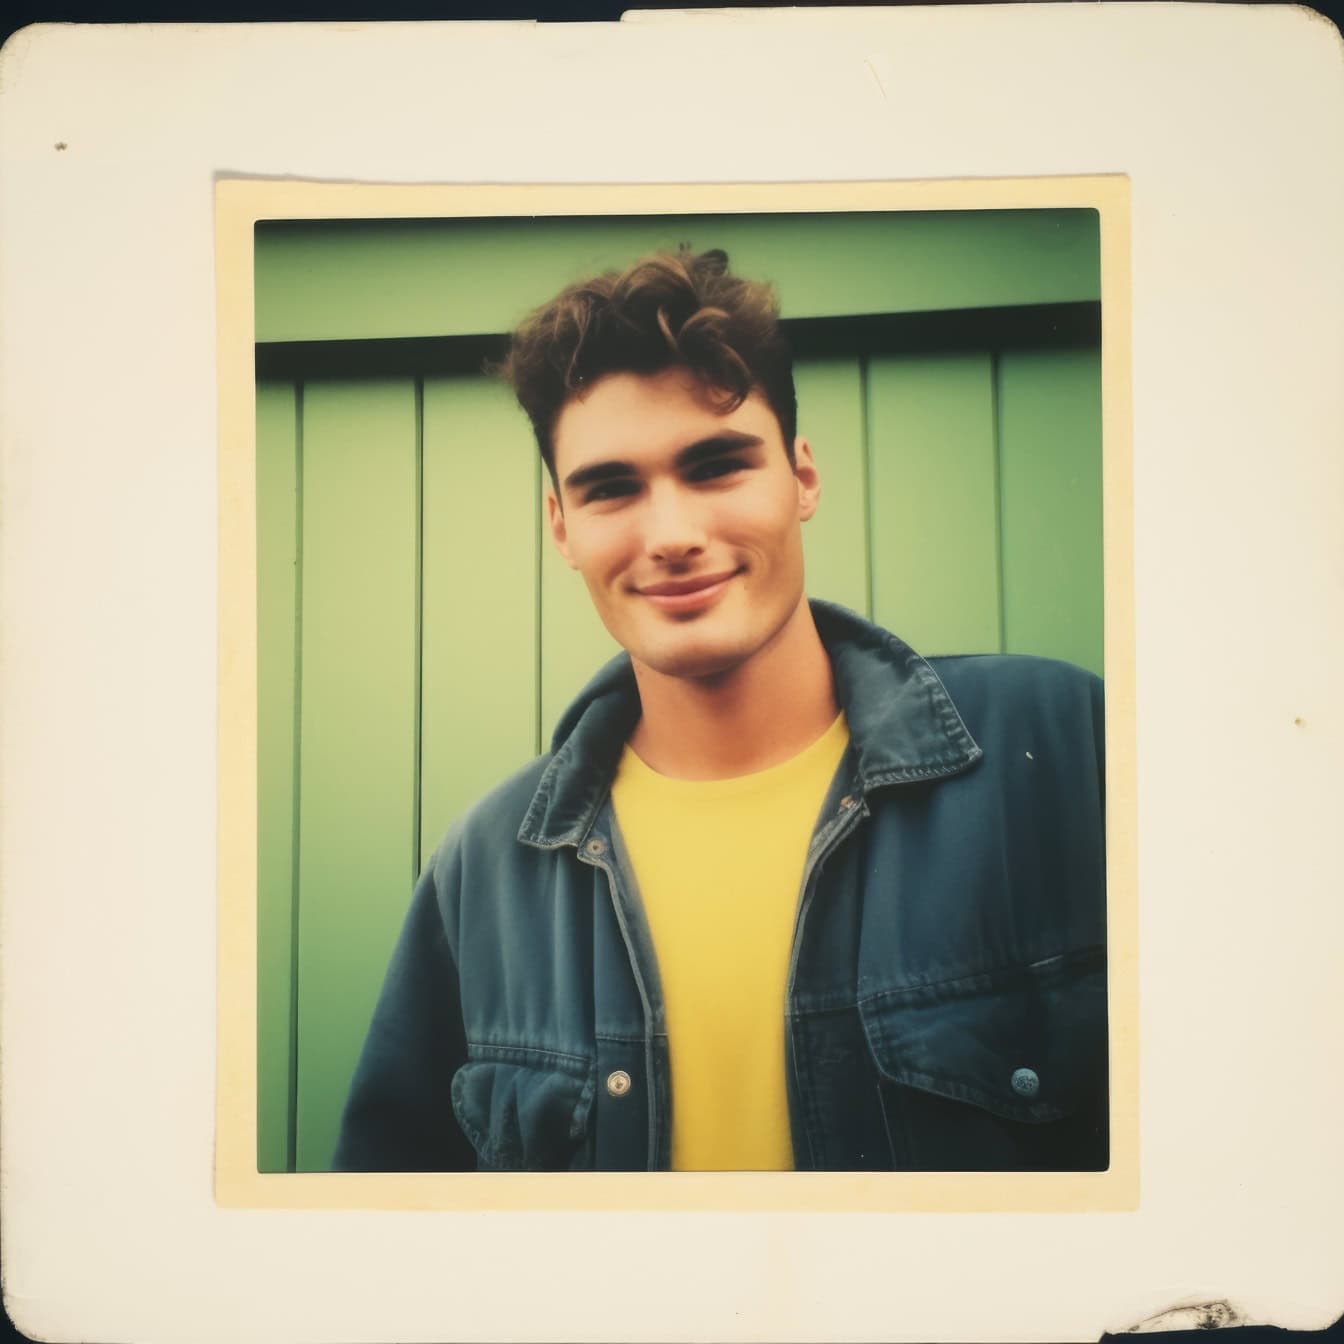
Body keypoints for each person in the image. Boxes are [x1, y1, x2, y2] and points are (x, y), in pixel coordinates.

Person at [333, 246, 1108, 1173]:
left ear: (803, 478)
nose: (671, 536)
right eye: (611, 487)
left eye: (717, 466)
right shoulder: (485, 871)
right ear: (561, 527)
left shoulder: (1065, 747)